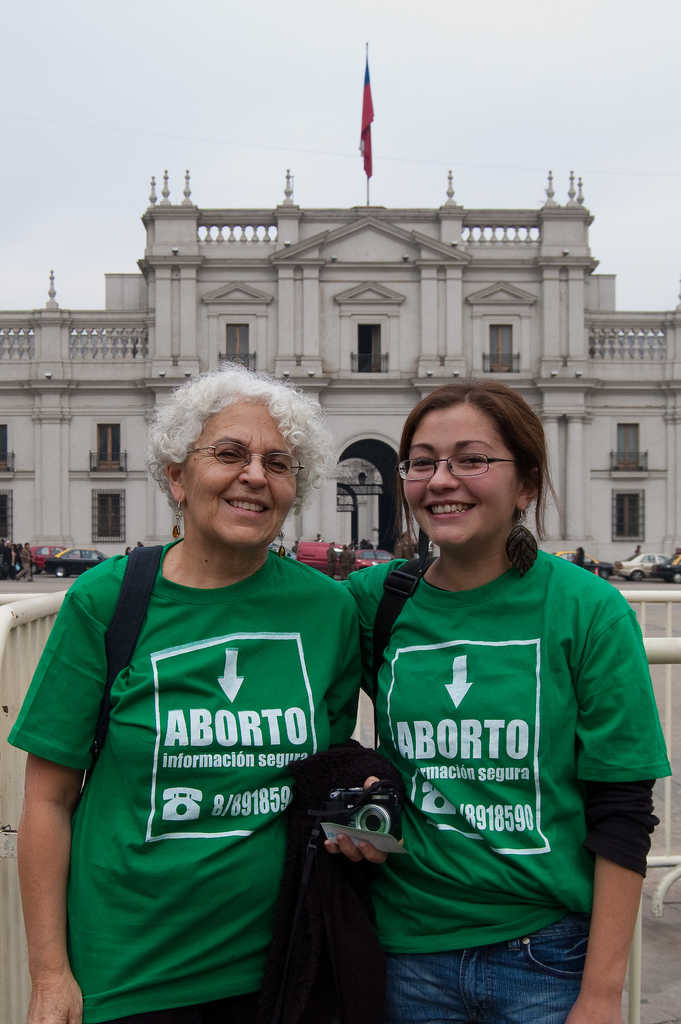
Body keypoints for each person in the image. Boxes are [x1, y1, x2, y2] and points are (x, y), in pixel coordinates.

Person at [9, 365, 361, 1024]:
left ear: (293, 489)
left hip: (282, 968)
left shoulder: (328, 611)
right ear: (176, 476)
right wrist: (50, 975)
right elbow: (47, 799)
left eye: (277, 463)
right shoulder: (107, 600)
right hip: (130, 975)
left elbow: (325, 774)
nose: (253, 474)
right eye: (228, 453)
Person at [332, 379, 670, 1024]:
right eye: (423, 462)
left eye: (473, 459)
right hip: (405, 950)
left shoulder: (587, 610)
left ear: (528, 483)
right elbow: (308, 727)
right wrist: (352, 813)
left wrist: (601, 995)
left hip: (547, 956)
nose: (442, 480)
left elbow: (624, 810)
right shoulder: (374, 602)